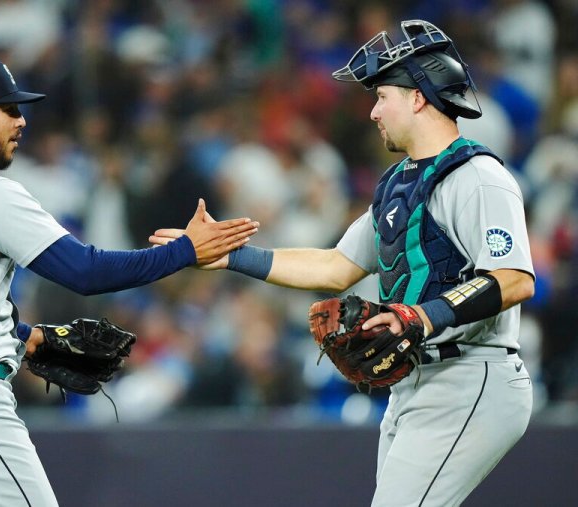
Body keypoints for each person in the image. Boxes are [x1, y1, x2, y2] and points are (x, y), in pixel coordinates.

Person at [151, 20, 534, 506]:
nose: (373, 111)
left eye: (383, 96)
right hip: (416, 381)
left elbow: (514, 279)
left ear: (418, 97)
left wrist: (421, 315)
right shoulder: (401, 184)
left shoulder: (479, 177)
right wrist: (230, 256)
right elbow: (335, 266)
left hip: (472, 375)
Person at [0, 58, 258, 506]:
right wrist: (185, 250)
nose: (22, 121)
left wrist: (22, 336)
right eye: (8, 110)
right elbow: (85, 271)